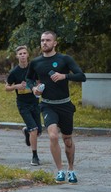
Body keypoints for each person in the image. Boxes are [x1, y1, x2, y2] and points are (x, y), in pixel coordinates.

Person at [26, 31, 86, 184]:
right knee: (53, 136)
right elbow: (28, 79)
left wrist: (64, 76)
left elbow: (81, 76)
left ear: (55, 43)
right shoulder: (35, 62)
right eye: (42, 40)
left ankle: (71, 169)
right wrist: (34, 88)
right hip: (47, 105)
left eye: (48, 40)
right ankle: (59, 170)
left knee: (67, 140)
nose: (44, 43)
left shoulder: (64, 59)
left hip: (65, 104)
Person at [5, 45, 42, 166]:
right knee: (34, 130)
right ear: (17, 56)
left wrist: (38, 87)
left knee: (38, 131)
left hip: (34, 102)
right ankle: (35, 156)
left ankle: (27, 131)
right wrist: (16, 86)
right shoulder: (14, 72)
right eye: (20, 54)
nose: (22, 56)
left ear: (28, 55)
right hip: (23, 104)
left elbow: (39, 81)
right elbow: (7, 87)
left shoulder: (33, 68)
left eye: (24, 53)